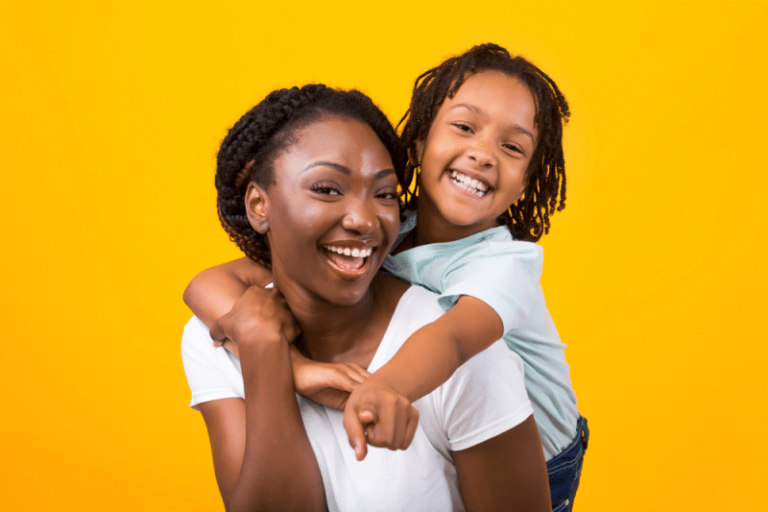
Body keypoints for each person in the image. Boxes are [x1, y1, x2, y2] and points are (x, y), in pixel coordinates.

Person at [186, 43, 587, 511]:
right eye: (463, 127)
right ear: (417, 143)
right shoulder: (393, 228)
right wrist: (284, 357)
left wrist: (385, 387)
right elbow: (211, 283)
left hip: (547, 458)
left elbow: (454, 340)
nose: (482, 155)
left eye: (512, 147)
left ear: (526, 182)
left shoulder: (504, 267)